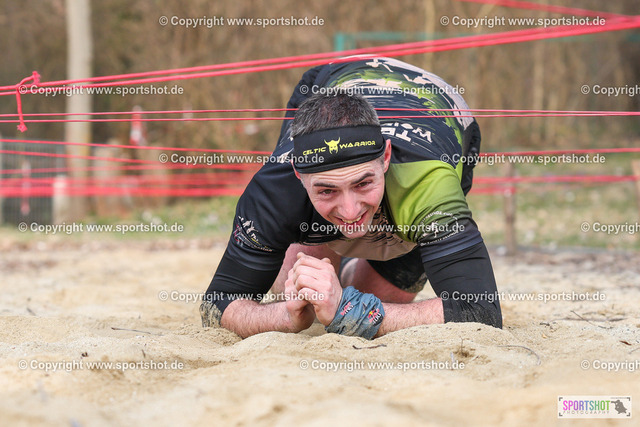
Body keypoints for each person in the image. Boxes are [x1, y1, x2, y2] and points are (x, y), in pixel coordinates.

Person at [200, 57, 501, 339]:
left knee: (376, 301)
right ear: (297, 172)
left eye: (363, 183)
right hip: (327, 82)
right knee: (300, 287)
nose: (349, 210)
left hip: (442, 107)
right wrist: (286, 317)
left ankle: (341, 277)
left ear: (385, 157)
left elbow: (480, 311)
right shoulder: (274, 190)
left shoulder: (428, 184)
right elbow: (217, 305)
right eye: (326, 190)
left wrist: (351, 309)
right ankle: (329, 274)